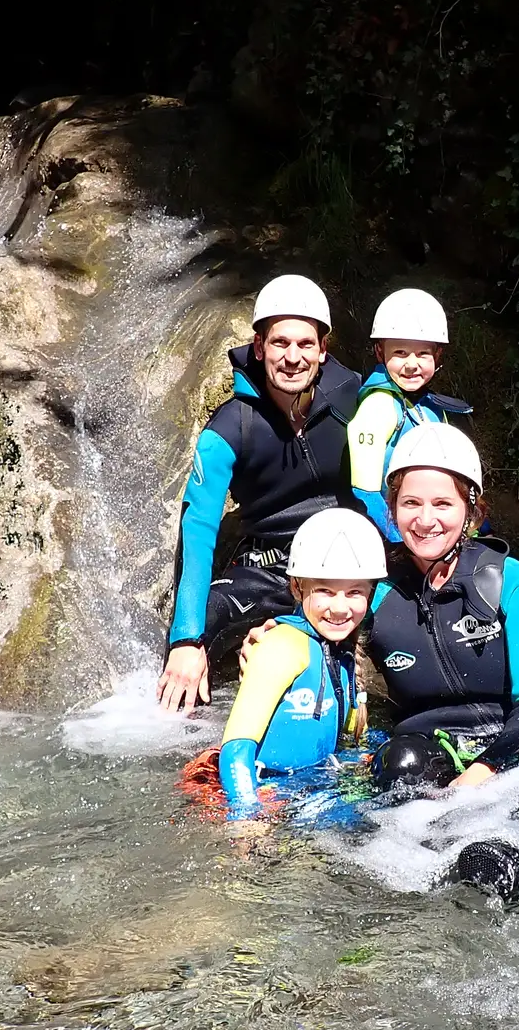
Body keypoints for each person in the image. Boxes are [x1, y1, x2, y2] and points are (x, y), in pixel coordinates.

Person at [159, 274, 362, 713]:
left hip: (348, 567)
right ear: (258, 347)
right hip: (268, 572)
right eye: (280, 344)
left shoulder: (355, 406)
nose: (293, 358)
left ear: (323, 351)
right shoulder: (230, 428)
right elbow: (197, 529)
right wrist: (187, 639)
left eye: (306, 345)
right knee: (200, 630)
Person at [367, 423, 519, 789]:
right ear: (391, 509)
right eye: (410, 503)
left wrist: (483, 769)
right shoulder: (372, 589)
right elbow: (318, 622)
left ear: (471, 511)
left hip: (508, 750)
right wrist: (279, 634)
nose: (425, 521)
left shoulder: (510, 580)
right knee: (400, 764)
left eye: (442, 504)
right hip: (422, 753)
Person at [182, 508, 384, 834]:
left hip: (309, 787)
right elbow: (237, 749)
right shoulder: (281, 647)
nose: (340, 607)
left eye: (354, 592)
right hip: (261, 790)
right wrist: (247, 816)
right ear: (296, 588)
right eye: (325, 591)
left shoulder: (341, 657)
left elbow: (351, 740)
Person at [347, 288, 472, 542]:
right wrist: (402, 544)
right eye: (400, 353)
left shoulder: (430, 407)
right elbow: (365, 493)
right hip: (395, 538)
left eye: (422, 354)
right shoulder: (378, 406)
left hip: (429, 527)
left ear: (437, 356)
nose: (412, 364)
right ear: (380, 353)